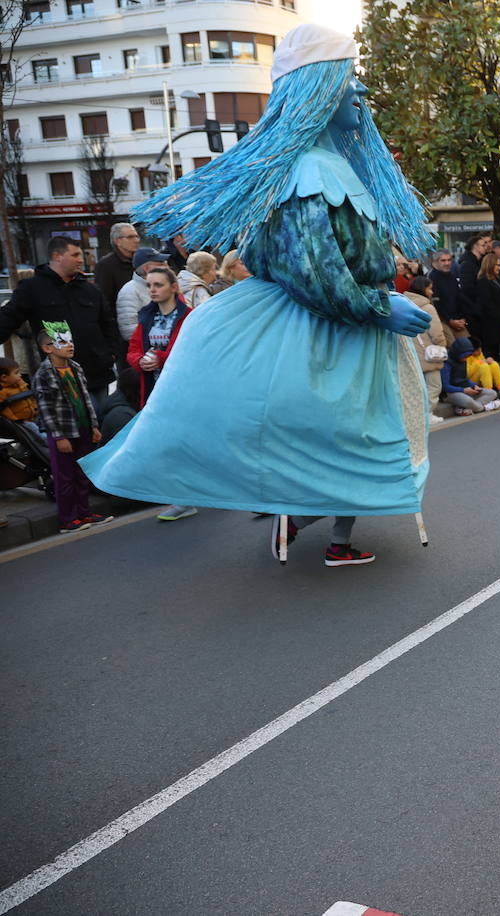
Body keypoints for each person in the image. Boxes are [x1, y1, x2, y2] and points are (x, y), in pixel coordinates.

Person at [79, 24, 435, 567]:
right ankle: (312, 525)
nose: (360, 93)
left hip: (351, 331)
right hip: (334, 334)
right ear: (319, 89)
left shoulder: (321, 165)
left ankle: (316, 525)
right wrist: (384, 307)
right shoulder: (310, 171)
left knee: (354, 438)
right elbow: (314, 273)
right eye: (349, 79)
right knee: (353, 437)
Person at [0, 236, 127, 434]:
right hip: (63, 378)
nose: (80, 260)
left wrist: (110, 353)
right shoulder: (33, 289)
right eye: (75, 255)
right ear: (57, 256)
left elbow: (108, 324)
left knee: (102, 426)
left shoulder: (90, 289)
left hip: (97, 373)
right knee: (81, 430)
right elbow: (9, 318)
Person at [127, 267, 199, 522]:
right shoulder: (146, 317)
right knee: (167, 446)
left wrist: (159, 358)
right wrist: (141, 362)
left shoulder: (188, 316)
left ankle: (193, 496)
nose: (153, 290)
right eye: (149, 285)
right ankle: (183, 499)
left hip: (182, 393)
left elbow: (190, 352)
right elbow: (133, 350)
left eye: (158, 284)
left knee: (186, 445)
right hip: (155, 392)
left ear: (173, 287)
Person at [30, 323, 112, 533]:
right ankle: (68, 519)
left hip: (82, 428)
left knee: (82, 472)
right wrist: (58, 437)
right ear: (47, 348)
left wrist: (94, 425)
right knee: (65, 476)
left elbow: (85, 399)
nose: (70, 345)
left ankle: (85, 513)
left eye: (71, 340)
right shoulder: (44, 374)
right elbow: (46, 409)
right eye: (62, 341)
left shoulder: (75, 367)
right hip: (63, 433)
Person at [404, 273, 447, 410]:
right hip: (429, 353)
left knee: (417, 388)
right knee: (434, 386)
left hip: (411, 353)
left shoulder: (405, 305)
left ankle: (418, 414)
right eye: (429, 289)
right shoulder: (427, 307)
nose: (431, 292)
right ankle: (427, 415)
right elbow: (436, 333)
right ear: (422, 289)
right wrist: (442, 346)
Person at [114, 247, 168, 341]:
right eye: (161, 264)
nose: (166, 267)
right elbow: (129, 331)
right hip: (148, 351)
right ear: (146, 269)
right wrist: (163, 336)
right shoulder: (129, 291)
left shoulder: (167, 286)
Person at [440, 337, 499, 415]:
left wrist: (474, 386)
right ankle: (484, 407)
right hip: (450, 393)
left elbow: (464, 378)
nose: (465, 359)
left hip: (464, 389)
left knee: (492, 393)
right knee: (468, 401)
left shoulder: (462, 360)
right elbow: (445, 386)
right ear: (458, 353)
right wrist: (463, 390)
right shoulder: (447, 363)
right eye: (464, 357)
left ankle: (466, 408)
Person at [94, 223, 140, 310]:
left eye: (136, 236)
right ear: (117, 241)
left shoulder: (140, 261)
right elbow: (104, 299)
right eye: (130, 237)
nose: (136, 240)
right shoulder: (106, 265)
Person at [472, 253, 500, 367]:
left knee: (496, 351)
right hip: (490, 324)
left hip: (497, 323)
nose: (499, 268)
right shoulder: (484, 281)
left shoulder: (495, 279)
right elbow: (484, 303)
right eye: (497, 265)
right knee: (491, 353)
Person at [428, 249, 466, 338]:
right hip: (441, 320)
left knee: (468, 346)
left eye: (449, 260)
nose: (447, 263)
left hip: (457, 320)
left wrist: (462, 318)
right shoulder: (431, 278)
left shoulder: (452, 276)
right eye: (443, 260)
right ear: (435, 262)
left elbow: (459, 298)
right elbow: (435, 303)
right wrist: (450, 320)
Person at [0, 356, 41, 439]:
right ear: (4, 377)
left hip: (33, 415)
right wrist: (15, 421)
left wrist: (36, 407)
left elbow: (30, 397)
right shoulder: (2, 392)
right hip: (21, 422)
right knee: (38, 435)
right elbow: (5, 411)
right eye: (16, 373)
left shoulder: (20, 383)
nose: (20, 375)